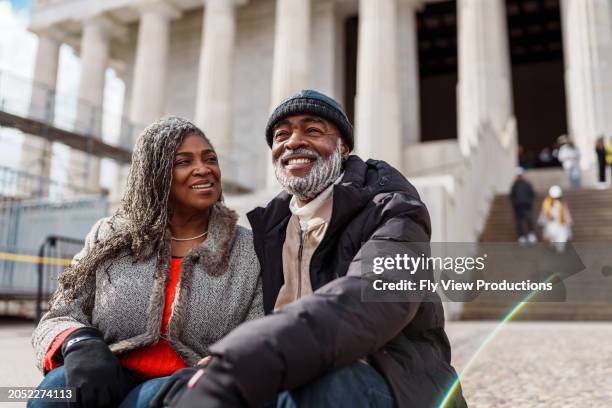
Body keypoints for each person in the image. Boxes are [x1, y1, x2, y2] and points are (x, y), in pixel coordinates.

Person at [153, 90, 466, 408]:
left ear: (343, 148)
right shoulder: (270, 229)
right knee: (156, 393)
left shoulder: (394, 210)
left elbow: (375, 294)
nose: (293, 142)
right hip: (292, 367)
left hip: (393, 383)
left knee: (313, 388)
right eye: (281, 135)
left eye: (312, 130)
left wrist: (256, 354)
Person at [29, 117, 263, 408]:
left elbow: (258, 331)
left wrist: (223, 364)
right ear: (155, 174)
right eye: (183, 161)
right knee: (52, 393)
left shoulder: (247, 250)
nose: (203, 169)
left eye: (210, 158)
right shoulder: (110, 235)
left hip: (184, 386)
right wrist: (79, 342)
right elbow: (59, 314)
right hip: (108, 374)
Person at [538, 185, 573, 253]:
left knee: (560, 237)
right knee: (554, 237)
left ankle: (559, 249)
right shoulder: (547, 203)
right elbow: (544, 213)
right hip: (553, 224)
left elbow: (565, 213)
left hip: (559, 224)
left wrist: (568, 221)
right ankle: (556, 247)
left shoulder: (561, 203)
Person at [510, 167, 537, 244]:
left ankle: (531, 234)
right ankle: (521, 236)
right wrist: (515, 203)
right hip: (518, 207)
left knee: (529, 220)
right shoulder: (514, 185)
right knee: (519, 222)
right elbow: (512, 196)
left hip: (527, 206)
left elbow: (532, 194)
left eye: (520, 175)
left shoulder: (527, 184)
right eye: (518, 175)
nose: (519, 176)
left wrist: (529, 202)